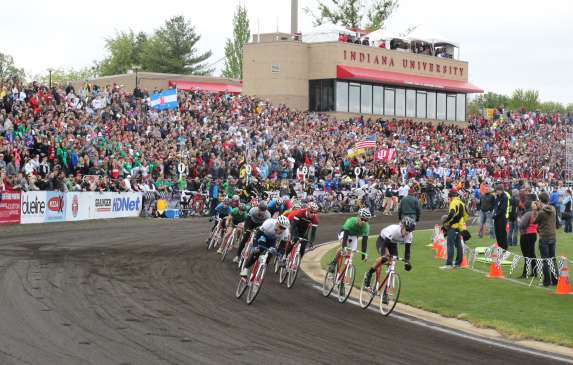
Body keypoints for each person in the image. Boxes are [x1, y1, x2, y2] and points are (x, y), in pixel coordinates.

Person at [363, 217, 415, 291]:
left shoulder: (409, 235)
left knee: (393, 263)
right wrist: (384, 256)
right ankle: (369, 273)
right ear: (402, 226)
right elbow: (384, 245)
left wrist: (407, 262)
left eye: (410, 231)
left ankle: (386, 292)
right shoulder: (394, 230)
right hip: (383, 240)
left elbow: (407, 250)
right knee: (386, 257)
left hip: (393, 243)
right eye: (407, 230)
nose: (407, 232)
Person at [532, 192, 558, 286]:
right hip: (553, 236)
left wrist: (535, 210)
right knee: (553, 259)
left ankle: (546, 282)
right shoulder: (553, 209)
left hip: (544, 237)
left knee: (545, 260)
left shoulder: (542, 212)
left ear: (540, 200)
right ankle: (555, 280)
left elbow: (534, 221)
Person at [440, 189, 469, 269]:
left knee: (450, 245)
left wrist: (446, 222)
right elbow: (466, 214)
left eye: (449, 197)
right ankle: (458, 263)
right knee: (458, 245)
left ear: (451, 196)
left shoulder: (453, 202)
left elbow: (451, 213)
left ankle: (449, 264)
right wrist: (461, 222)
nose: (449, 199)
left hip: (452, 227)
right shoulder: (462, 203)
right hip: (459, 228)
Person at [518, 196, 538, 278]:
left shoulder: (528, 213)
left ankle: (525, 273)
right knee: (532, 254)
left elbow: (522, 225)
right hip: (533, 234)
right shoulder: (535, 213)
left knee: (526, 255)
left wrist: (519, 221)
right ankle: (534, 271)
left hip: (526, 235)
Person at [492, 184, 510, 250]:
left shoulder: (505, 197)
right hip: (496, 218)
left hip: (502, 218)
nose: (497, 192)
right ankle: (500, 246)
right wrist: (494, 214)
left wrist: (495, 215)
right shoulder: (497, 197)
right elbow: (495, 207)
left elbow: (502, 209)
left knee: (502, 233)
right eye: (496, 190)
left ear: (502, 190)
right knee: (497, 233)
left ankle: (504, 247)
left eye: (498, 190)